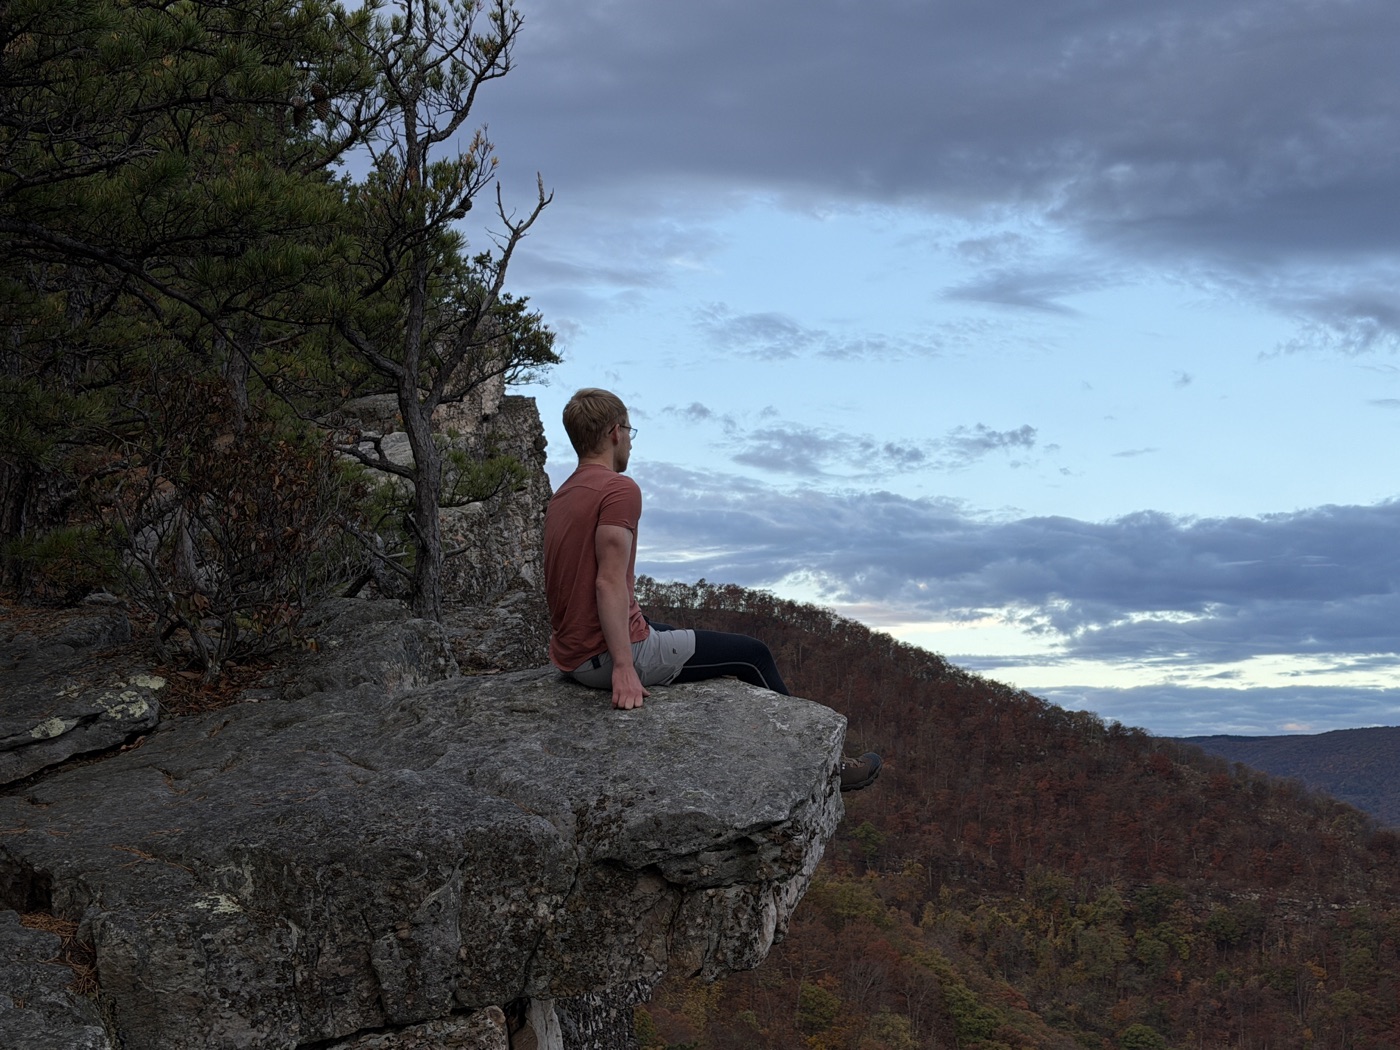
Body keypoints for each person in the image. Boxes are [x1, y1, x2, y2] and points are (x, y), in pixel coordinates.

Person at [542, 387, 882, 792]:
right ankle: (827, 767)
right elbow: (608, 580)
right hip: (603, 657)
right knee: (752, 655)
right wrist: (623, 667)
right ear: (616, 432)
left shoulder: (562, 496)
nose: (631, 440)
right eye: (630, 431)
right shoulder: (619, 488)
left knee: (662, 626)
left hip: (572, 655)